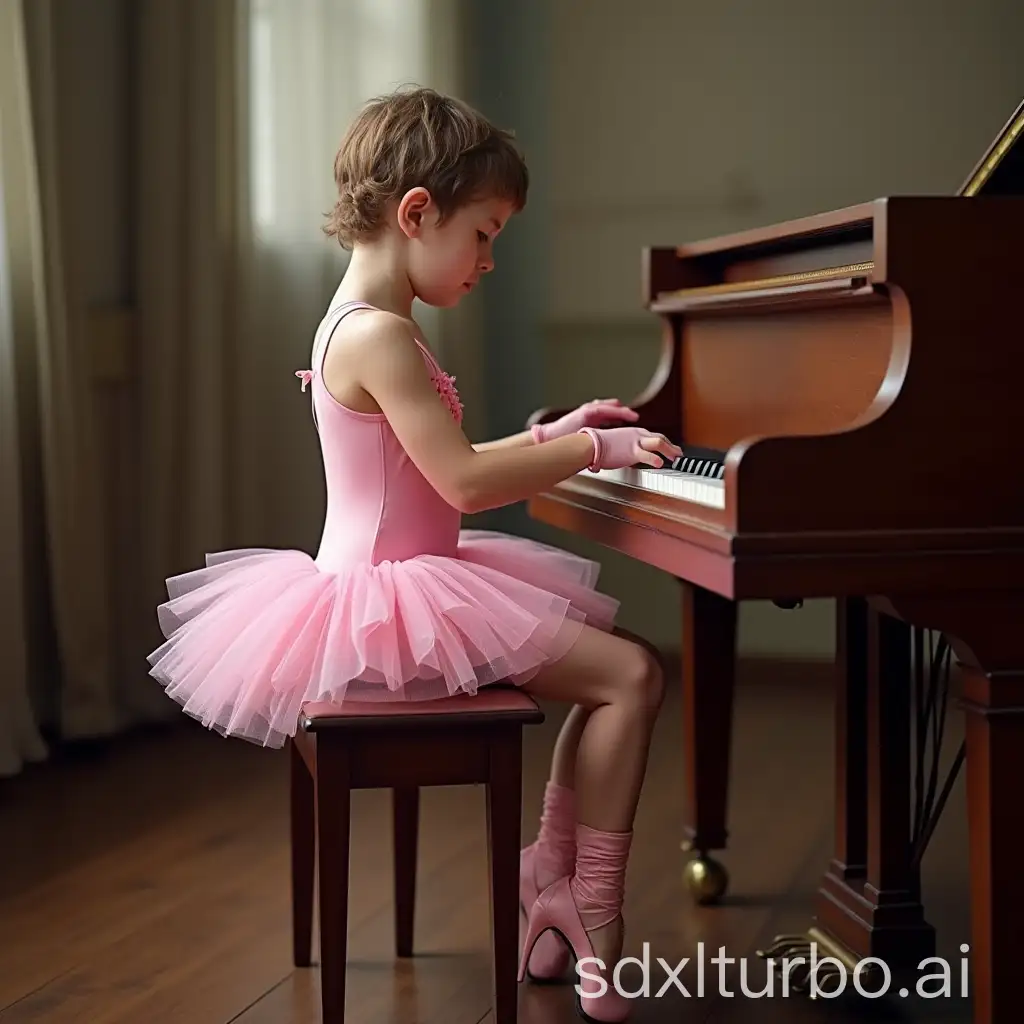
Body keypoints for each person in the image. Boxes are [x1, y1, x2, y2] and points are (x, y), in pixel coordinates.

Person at [147, 86, 679, 1021]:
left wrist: (552, 430)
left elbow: (437, 470)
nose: (486, 260)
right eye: (484, 233)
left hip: (389, 583)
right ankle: (582, 895)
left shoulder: (359, 321)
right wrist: (595, 450)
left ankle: (556, 878)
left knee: (616, 672)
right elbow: (466, 486)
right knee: (631, 676)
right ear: (417, 211)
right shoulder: (384, 336)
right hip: (391, 612)